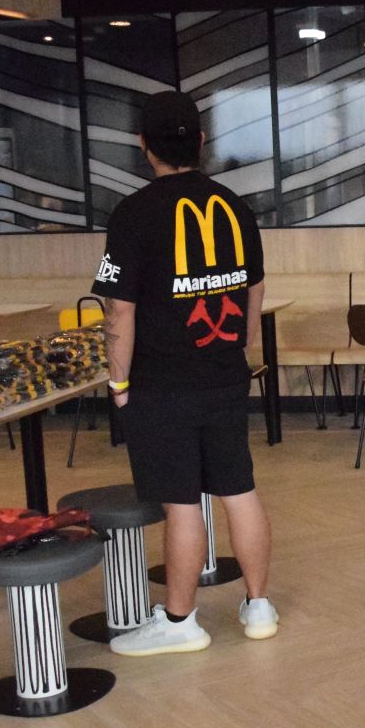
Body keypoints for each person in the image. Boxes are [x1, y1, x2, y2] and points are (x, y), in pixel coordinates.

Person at [89, 90, 275, 656]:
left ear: (144, 147)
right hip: (224, 374)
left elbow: (119, 309)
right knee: (238, 489)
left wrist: (117, 384)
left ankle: (179, 622)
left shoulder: (133, 213)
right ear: (199, 141)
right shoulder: (236, 207)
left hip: (161, 383)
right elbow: (254, 292)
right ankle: (259, 605)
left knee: (182, 503)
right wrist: (239, 353)